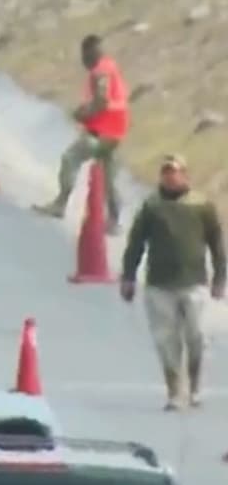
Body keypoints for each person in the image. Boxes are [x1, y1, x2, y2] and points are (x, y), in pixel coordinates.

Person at [120, 154, 225, 411]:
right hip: (159, 284)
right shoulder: (151, 206)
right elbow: (136, 242)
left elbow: (217, 244)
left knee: (196, 335)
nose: (170, 178)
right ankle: (174, 391)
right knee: (166, 341)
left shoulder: (201, 205)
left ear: (184, 175)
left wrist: (220, 278)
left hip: (194, 282)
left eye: (175, 173)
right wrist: (128, 276)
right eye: (166, 173)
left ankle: (195, 387)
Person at [33, 35, 129, 234]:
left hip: (99, 133)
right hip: (117, 133)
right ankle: (114, 221)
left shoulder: (100, 71)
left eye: (84, 55)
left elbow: (101, 100)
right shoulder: (111, 66)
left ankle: (60, 204)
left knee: (70, 159)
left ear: (89, 53)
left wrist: (83, 114)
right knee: (109, 178)